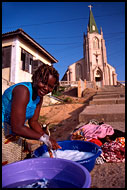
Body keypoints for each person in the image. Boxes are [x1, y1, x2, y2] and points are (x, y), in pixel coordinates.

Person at [2, 64, 60, 164]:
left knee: (20, 161)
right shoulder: (23, 91)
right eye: (43, 82)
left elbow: (33, 122)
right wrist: (43, 139)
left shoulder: (39, 97)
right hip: (4, 129)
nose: (46, 88)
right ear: (36, 78)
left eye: (50, 86)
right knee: (9, 167)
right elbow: (17, 128)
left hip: (14, 130)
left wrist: (47, 137)